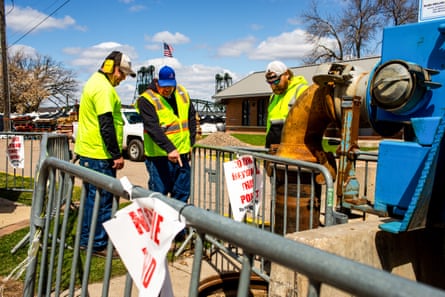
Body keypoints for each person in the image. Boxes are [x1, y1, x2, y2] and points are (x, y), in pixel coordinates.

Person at [74, 50, 136, 257]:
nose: (123, 78)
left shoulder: (94, 82)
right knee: (101, 199)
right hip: (100, 154)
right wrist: (116, 154)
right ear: (113, 69)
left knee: (93, 198)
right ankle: (97, 243)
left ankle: (87, 239)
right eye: (123, 74)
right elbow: (106, 124)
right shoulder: (103, 89)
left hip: (91, 151)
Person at [135, 65, 197, 206]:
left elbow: (191, 118)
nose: (167, 89)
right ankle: (159, 228)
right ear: (157, 82)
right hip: (159, 158)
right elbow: (153, 128)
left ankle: (179, 228)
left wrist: (191, 143)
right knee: (158, 199)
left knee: (181, 196)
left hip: (182, 155)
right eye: (164, 86)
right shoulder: (146, 99)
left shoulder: (182, 93)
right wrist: (170, 148)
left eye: (170, 86)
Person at [265, 60, 309, 150]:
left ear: (287, 74)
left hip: (293, 151)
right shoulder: (273, 97)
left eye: (276, 81)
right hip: (272, 149)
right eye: (270, 83)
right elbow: (269, 126)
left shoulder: (302, 91)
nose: (273, 86)